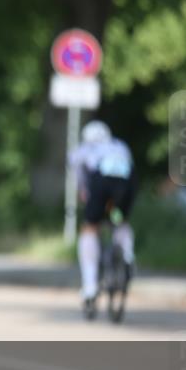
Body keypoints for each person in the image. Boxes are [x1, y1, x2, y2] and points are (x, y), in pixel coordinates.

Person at [69, 120, 137, 318]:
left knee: (90, 228)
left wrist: (84, 196)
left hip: (101, 183)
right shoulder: (120, 146)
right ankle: (127, 256)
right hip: (125, 184)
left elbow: (80, 182)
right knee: (120, 220)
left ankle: (90, 286)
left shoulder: (83, 150)